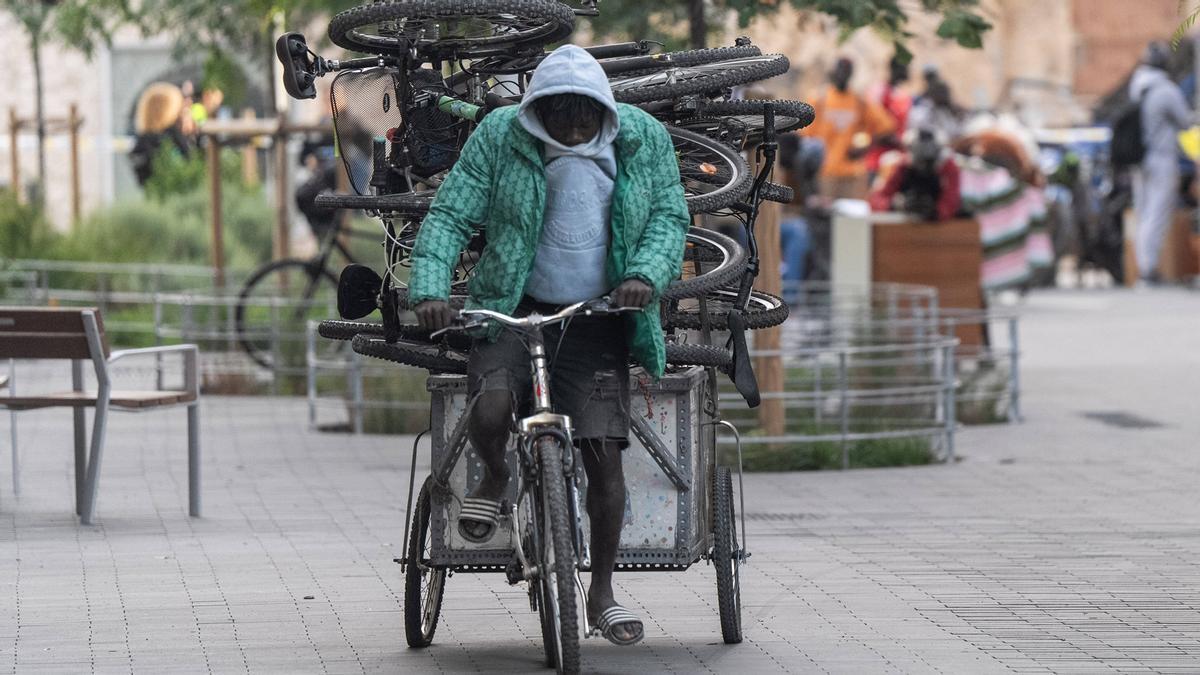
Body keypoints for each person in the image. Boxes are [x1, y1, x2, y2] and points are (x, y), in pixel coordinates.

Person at [407, 44, 690, 646]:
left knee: (603, 457)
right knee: (489, 407)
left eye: (583, 113)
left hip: (597, 315)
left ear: (602, 108)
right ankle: (493, 475)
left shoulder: (641, 139)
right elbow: (451, 214)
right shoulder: (500, 136)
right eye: (558, 113)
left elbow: (669, 216)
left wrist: (644, 275)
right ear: (537, 110)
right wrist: (429, 287)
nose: (572, 124)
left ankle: (604, 592)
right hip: (512, 308)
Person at [1129, 41, 1194, 285]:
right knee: (1156, 214)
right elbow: (1185, 121)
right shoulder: (1165, 90)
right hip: (1161, 158)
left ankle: (1144, 266)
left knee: (1143, 212)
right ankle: (1148, 269)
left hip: (1140, 160)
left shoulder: (1136, 86)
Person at [802, 57, 897, 200]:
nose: (842, 75)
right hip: (825, 173)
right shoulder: (819, 100)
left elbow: (887, 128)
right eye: (840, 71)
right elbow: (805, 136)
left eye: (846, 72)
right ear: (833, 72)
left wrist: (867, 146)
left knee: (851, 219)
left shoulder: (860, 101)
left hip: (854, 173)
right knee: (827, 219)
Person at [128, 82, 192, 187]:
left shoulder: (142, 142)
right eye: (179, 110)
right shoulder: (169, 138)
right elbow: (188, 164)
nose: (182, 114)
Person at [865, 54, 913, 179]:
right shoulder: (879, 92)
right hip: (877, 161)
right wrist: (896, 140)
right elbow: (873, 126)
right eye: (905, 67)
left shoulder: (903, 96)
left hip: (897, 161)